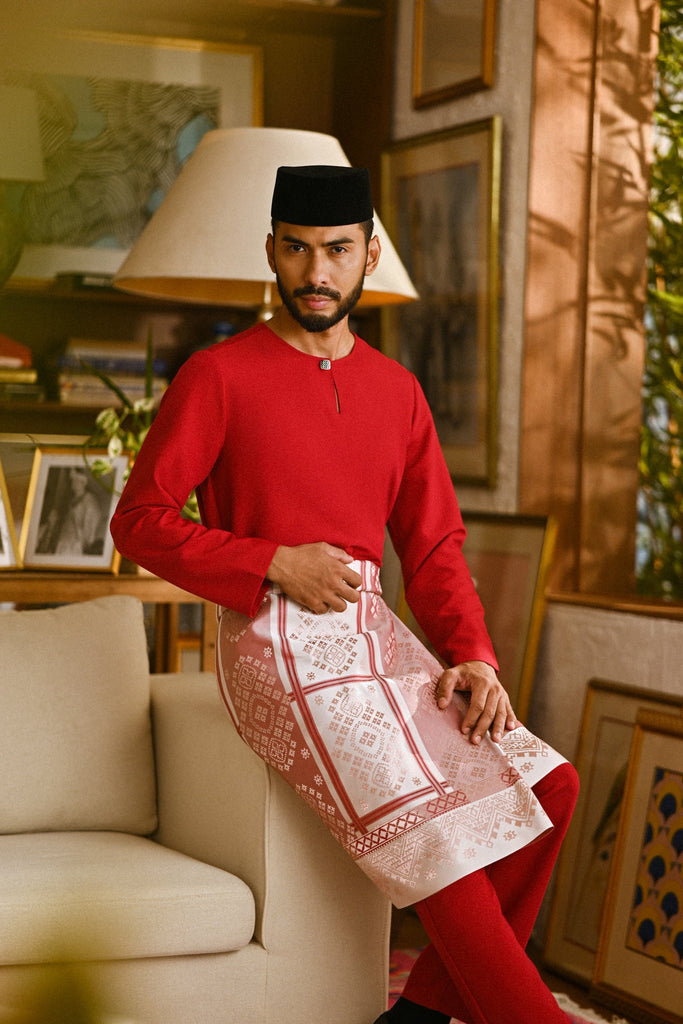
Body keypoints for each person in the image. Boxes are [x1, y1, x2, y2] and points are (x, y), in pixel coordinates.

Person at [110, 165, 579, 1024]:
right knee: (431, 823)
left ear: (369, 255)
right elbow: (139, 522)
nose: (315, 273)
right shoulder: (218, 376)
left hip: (374, 635)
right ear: (270, 253)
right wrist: (272, 562)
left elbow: (432, 548)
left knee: (547, 783)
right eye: (296, 250)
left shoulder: (397, 392)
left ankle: (419, 1016)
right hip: (270, 640)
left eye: (335, 250)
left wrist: (473, 656)